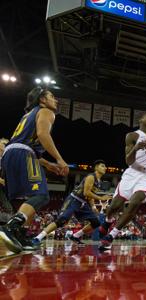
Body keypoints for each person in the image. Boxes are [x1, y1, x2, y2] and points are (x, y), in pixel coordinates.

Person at [0, 87, 69, 253]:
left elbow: (25, 143)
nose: (56, 100)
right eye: (52, 96)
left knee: (23, 201)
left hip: (10, 155)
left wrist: (47, 165)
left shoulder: (27, 115)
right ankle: (11, 227)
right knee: (41, 195)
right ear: (42, 100)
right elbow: (43, 134)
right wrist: (60, 160)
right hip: (23, 154)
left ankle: (20, 236)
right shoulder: (46, 111)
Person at [98, 113, 146, 250]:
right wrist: (135, 149)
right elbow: (128, 161)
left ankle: (111, 235)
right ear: (140, 120)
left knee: (134, 203)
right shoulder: (132, 136)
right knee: (114, 206)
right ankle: (107, 222)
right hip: (132, 173)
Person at [32, 160, 110, 246]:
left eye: (105, 166)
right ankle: (38, 238)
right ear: (96, 167)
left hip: (83, 203)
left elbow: (90, 196)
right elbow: (86, 193)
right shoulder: (91, 177)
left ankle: (75, 236)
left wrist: (93, 206)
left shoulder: (99, 182)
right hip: (74, 200)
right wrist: (101, 198)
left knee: (96, 222)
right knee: (61, 220)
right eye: (102, 166)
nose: (105, 168)